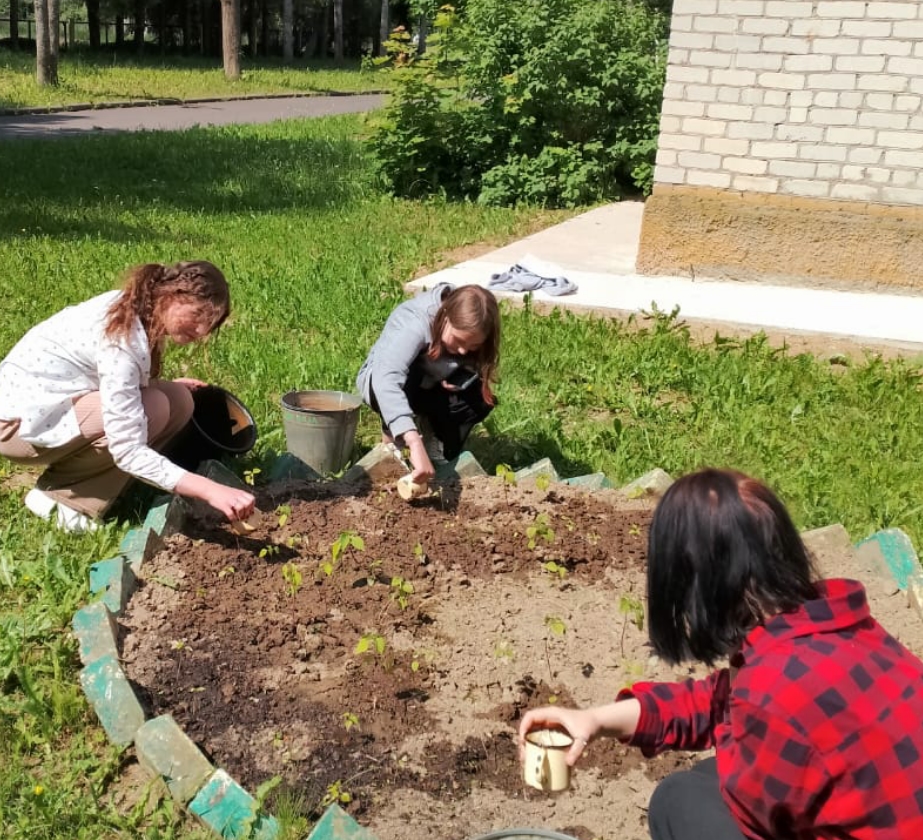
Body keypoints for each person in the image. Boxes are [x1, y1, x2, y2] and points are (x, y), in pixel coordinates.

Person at [517, 468, 923, 840]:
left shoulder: (773, 691)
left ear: (693, 587)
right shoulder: (839, 628)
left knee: (679, 802)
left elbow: (755, 817)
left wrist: (735, 739)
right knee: (706, 780)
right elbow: (722, 701)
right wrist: (595, 720)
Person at [0, 261, 256, 533]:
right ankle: (62, 499)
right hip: (17, 427)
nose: (200, 331)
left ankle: (104, 485)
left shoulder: (141, 306)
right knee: (154, 408)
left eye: (208, 324)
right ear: (174, 295)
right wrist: (209, 490)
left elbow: (115, 378)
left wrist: (159, 384)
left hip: (52, 405)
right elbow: (126, 448)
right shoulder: (122, 339)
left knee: (179, 399)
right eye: (197, 315)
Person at [356, 283, 500, 486]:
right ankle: (393, 444)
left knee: (480, 399)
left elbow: (471, 362)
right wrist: (412, 440)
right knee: (406, 378)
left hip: (430, 384)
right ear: (446, 316)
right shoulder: (416, 322)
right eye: (459, 340)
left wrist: (460, 375)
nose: (463, 351)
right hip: (381, 383)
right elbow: (385, 379)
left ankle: (434, 441)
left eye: (473, 345)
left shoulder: (468, 334)